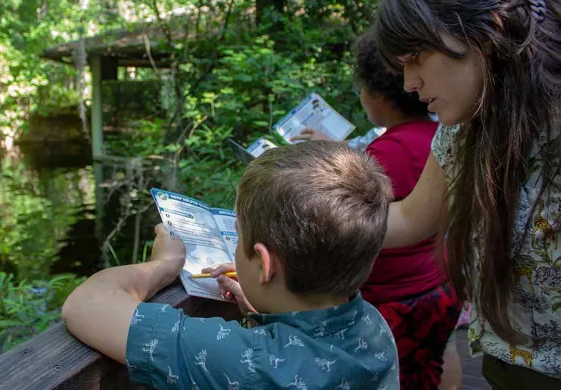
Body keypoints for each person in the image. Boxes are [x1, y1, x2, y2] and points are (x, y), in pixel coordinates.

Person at [62, 141, 400, 389]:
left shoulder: (249, 361)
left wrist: (163, 265)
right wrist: (264, 310)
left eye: (238, 237)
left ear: (266, 266)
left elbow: (85, 304)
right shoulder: (373, 327)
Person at [372, 0, 561, 388]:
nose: (409, 83)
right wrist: (301, 226)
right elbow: (409, 217)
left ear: (486, 32)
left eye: (417, 57)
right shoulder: (462, 128)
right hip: (508, 360)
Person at [291, 33, 463, 390]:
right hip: (439, 284)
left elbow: (360, 212)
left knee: (394, 373)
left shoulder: (386, 153)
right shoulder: (440, 135)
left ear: (379, 96)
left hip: (395, 295)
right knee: (434, 360)